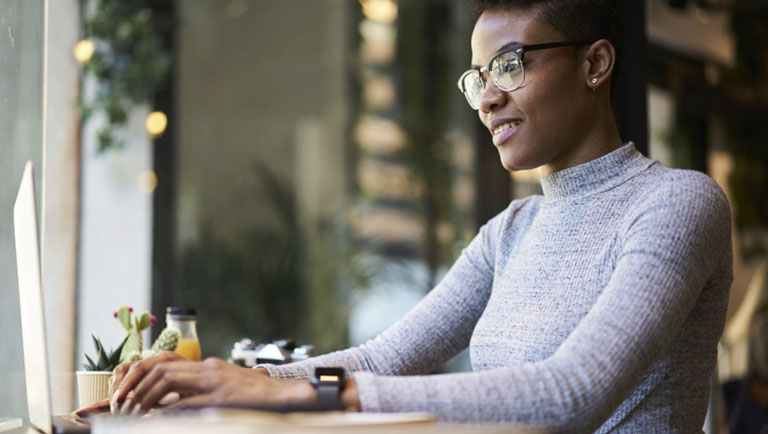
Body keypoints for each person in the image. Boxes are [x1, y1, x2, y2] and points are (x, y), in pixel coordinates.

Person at [109, 0, 733, 431]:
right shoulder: (509, 234)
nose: (488, 97)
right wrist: (225, 380)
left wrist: (304, 395)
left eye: (511, 66)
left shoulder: (677, 203)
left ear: (594, 64)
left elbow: (572, 393)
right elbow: (383, 358)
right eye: (479, 76)